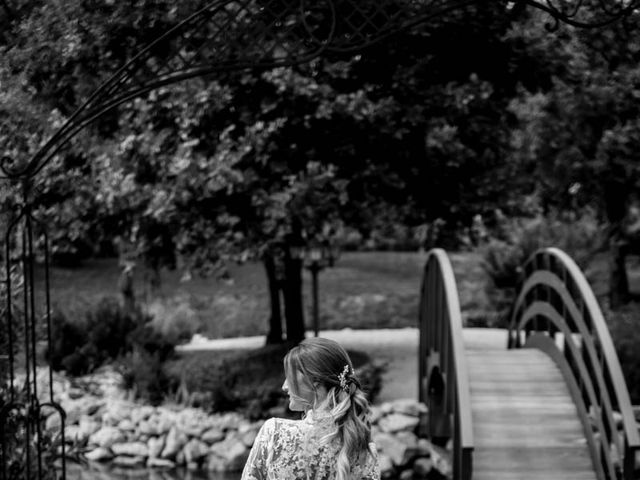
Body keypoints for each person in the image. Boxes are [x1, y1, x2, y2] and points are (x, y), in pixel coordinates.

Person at [241, 337, 380, 480]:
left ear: (315, 380)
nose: (284, 386)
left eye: (290, 377)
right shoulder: (365, 451)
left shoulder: (274, 433)